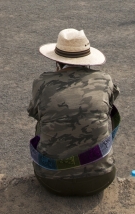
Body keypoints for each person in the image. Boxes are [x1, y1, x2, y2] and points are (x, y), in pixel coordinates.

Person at [28, 28, 120, 196]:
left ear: (57, 62)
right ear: (88, 60)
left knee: (44, 120)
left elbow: (35, 113)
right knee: (102, 114)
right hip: (102, 178)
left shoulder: (42, 82)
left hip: (51, 180)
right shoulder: (104, 79)